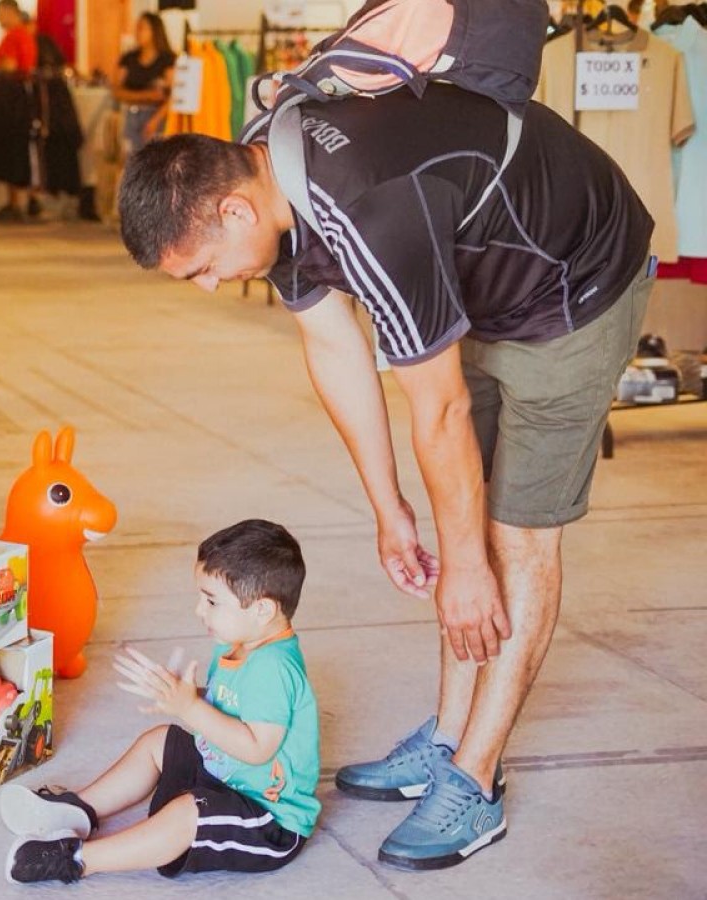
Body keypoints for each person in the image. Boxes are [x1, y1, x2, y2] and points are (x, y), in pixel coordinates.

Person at [117, 81, 654, 870]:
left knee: (511, 537)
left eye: (201, 268)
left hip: (573, 285)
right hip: (486, 280)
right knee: (459, 512)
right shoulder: (269, 173)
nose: (209, 286)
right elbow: (333, 345)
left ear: (233, 211)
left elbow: (434, 411)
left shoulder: (367, 209)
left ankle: (475, 781)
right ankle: (446, 739)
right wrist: (388, 506)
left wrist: (466, 567)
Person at [3, 520, 319, 884]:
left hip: (265, 816)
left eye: (212, 600)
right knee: (160, 740)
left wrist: (190, 708)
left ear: (263, 609)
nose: (200, 610)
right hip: (223, 775)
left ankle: (77, 859)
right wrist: (184, 695)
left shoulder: (275, 667)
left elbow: (256, 748)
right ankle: (79, 810)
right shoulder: (237, 642)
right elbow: (232, 707)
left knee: (186, 814)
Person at [0, 0, 38, 222]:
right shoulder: (21, 35)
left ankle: (17, 201)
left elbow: (10, 66)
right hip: (16, 99)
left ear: (10, 12)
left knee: (14, 148)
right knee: (14, 148)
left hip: (14, 101)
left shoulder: (16, 36)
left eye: (0, 14)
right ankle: (15, 200)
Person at [114, 13, 175, 157]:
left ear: (154, 31)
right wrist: (148, 95)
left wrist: (156, 118)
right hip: (131, 115)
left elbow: (172, 95)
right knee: (131, 160)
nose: (137, 33)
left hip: (156, 116)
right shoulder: (129, 58)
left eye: (142, 28)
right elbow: (117, 90)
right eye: (137, 28)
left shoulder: (167, 59)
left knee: (155, 161)